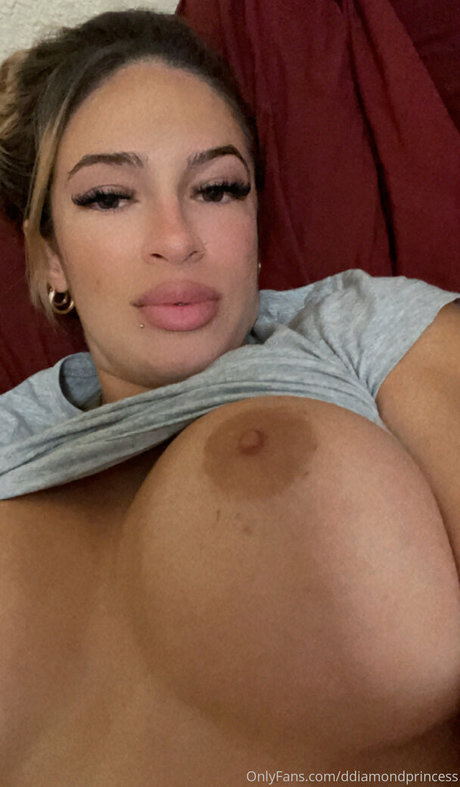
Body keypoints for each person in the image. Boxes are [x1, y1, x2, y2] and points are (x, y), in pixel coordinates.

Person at [0, 9, 459, 782]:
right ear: (50, 258)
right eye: (109, 196)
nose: (177, 238)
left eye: (217, 188)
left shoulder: (362, 331)